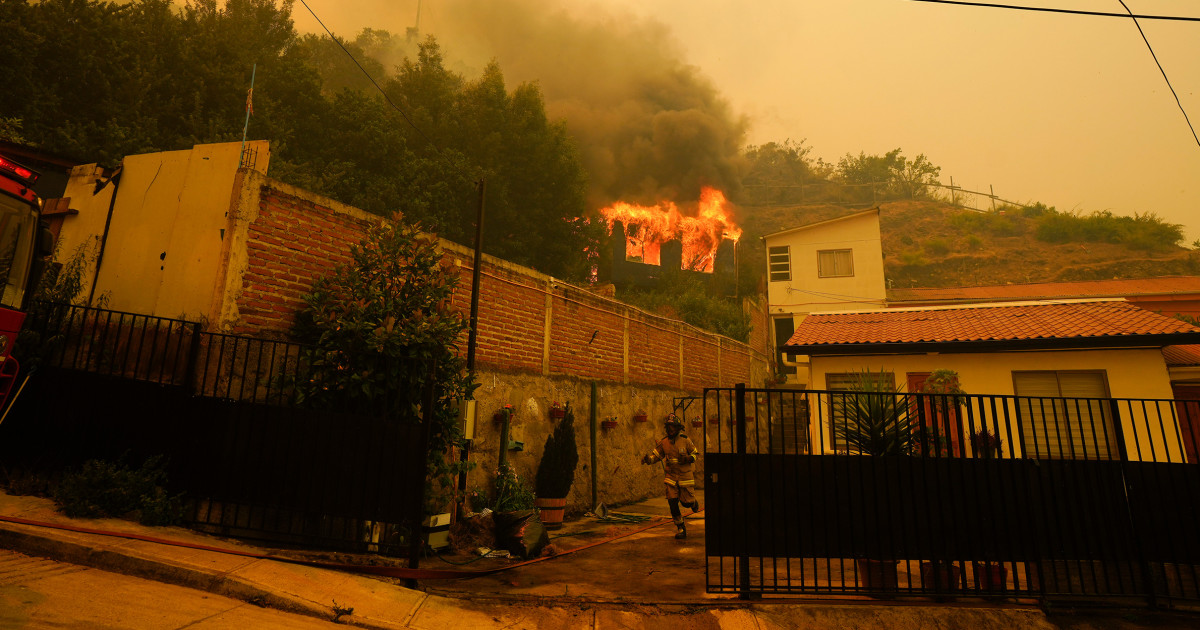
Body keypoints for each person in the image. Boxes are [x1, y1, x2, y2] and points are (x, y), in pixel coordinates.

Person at [641, 413, 701, 539]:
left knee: (686, 504)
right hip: (671, 478)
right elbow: (656, 456)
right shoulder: (664, 442)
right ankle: (680, 528)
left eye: (672, 427)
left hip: (685, 477)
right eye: (668, 427)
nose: (670, 429)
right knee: (672, 503)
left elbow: (696, 454)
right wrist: (648, 460)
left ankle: (693, 503)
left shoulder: (685, 440)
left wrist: (689, 458)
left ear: (678, 428)